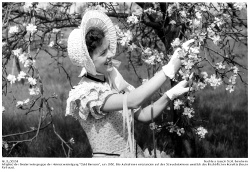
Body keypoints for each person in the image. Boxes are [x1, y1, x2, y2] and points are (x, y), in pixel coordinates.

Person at [66, 10, 193, 158]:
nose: (110, 55)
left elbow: (145, 115)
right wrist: (168, 70)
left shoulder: (113, 82)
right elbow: (132, 101)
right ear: (88, 61)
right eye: (103, 53)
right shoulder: (87, 94)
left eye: (108, 49)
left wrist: (170, 95)